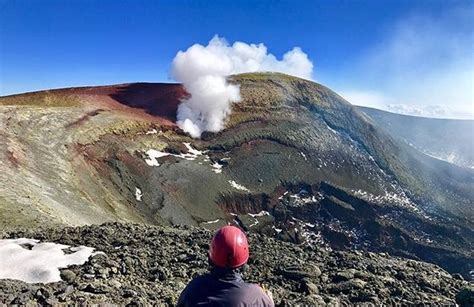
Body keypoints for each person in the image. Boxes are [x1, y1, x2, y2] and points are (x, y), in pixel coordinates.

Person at [177, 225, 274, 307]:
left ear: (211, 258)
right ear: (244, 264)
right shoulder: (255, 296)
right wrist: (268, 299)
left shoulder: (194, 288)